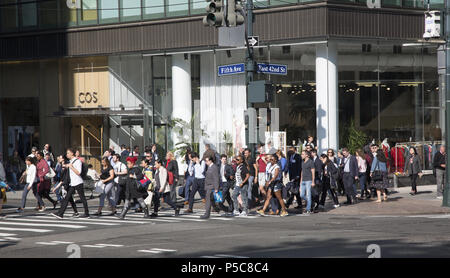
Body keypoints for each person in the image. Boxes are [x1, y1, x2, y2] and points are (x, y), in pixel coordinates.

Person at [51, 148, 90, 219]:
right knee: (67, 198)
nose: (67, 154)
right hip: (73, 183)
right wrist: (65, 166)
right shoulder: (71, 161)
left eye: (68, 153)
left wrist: (71, 167)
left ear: (72, 153)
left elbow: (78, 172)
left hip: (78, 182)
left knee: (82, 198)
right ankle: (60, 213)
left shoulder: (77, 161)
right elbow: (66, 166)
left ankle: (87, 213)